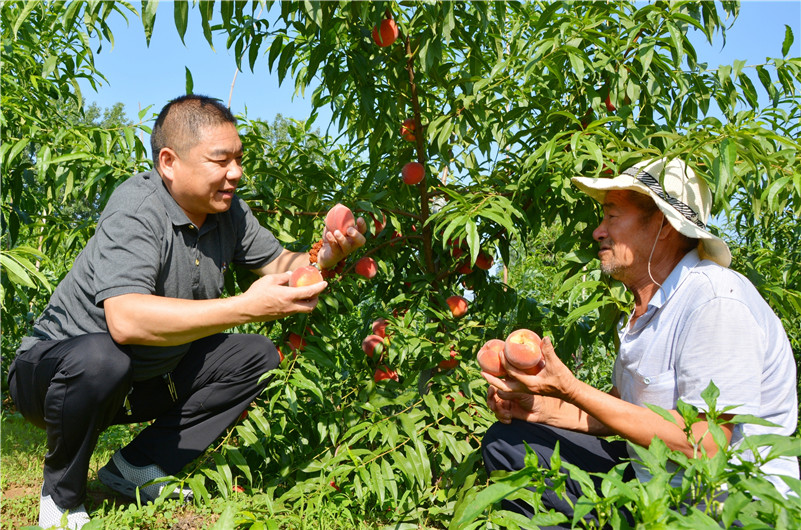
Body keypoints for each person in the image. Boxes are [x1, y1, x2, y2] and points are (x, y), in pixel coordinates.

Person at [7, 94, 366, 529]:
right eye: (220, 160)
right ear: (168, 162)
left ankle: (135, 466)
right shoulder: (138, 209)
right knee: (103, 357)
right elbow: (126, 320)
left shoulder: (228, 212)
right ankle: (61, 499)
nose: (235, 173)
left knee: (256, 356)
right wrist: (244, 307)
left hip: (137, 376)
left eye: (238, 159)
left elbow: (280, 266)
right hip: (50, 377)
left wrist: (325, 255)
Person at [481, 158, 798, 527]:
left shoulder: (714, 300)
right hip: (654, 484)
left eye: (612, 217)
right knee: (509, 441)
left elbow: (705, 445)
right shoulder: (649, 308)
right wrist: (534, 407)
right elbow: (620, 411)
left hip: (724, 507)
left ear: (664, 224)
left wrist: (570, 386)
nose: (599, 231)